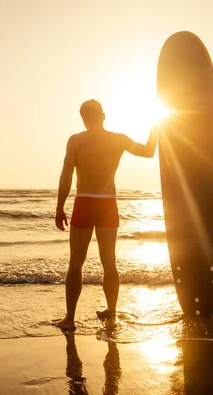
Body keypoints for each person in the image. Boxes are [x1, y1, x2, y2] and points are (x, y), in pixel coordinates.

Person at [55, 99, 157, 331]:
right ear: (103, 115)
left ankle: (70, 319)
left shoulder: (76, 140)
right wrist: (156, 127)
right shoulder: (118, 139)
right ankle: (111, 317)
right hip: (107, 204)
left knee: (76, 264)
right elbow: (149, 152)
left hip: (84, 202)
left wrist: (60, 207)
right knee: (109, 263)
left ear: (84, 119)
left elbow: (66, 176)